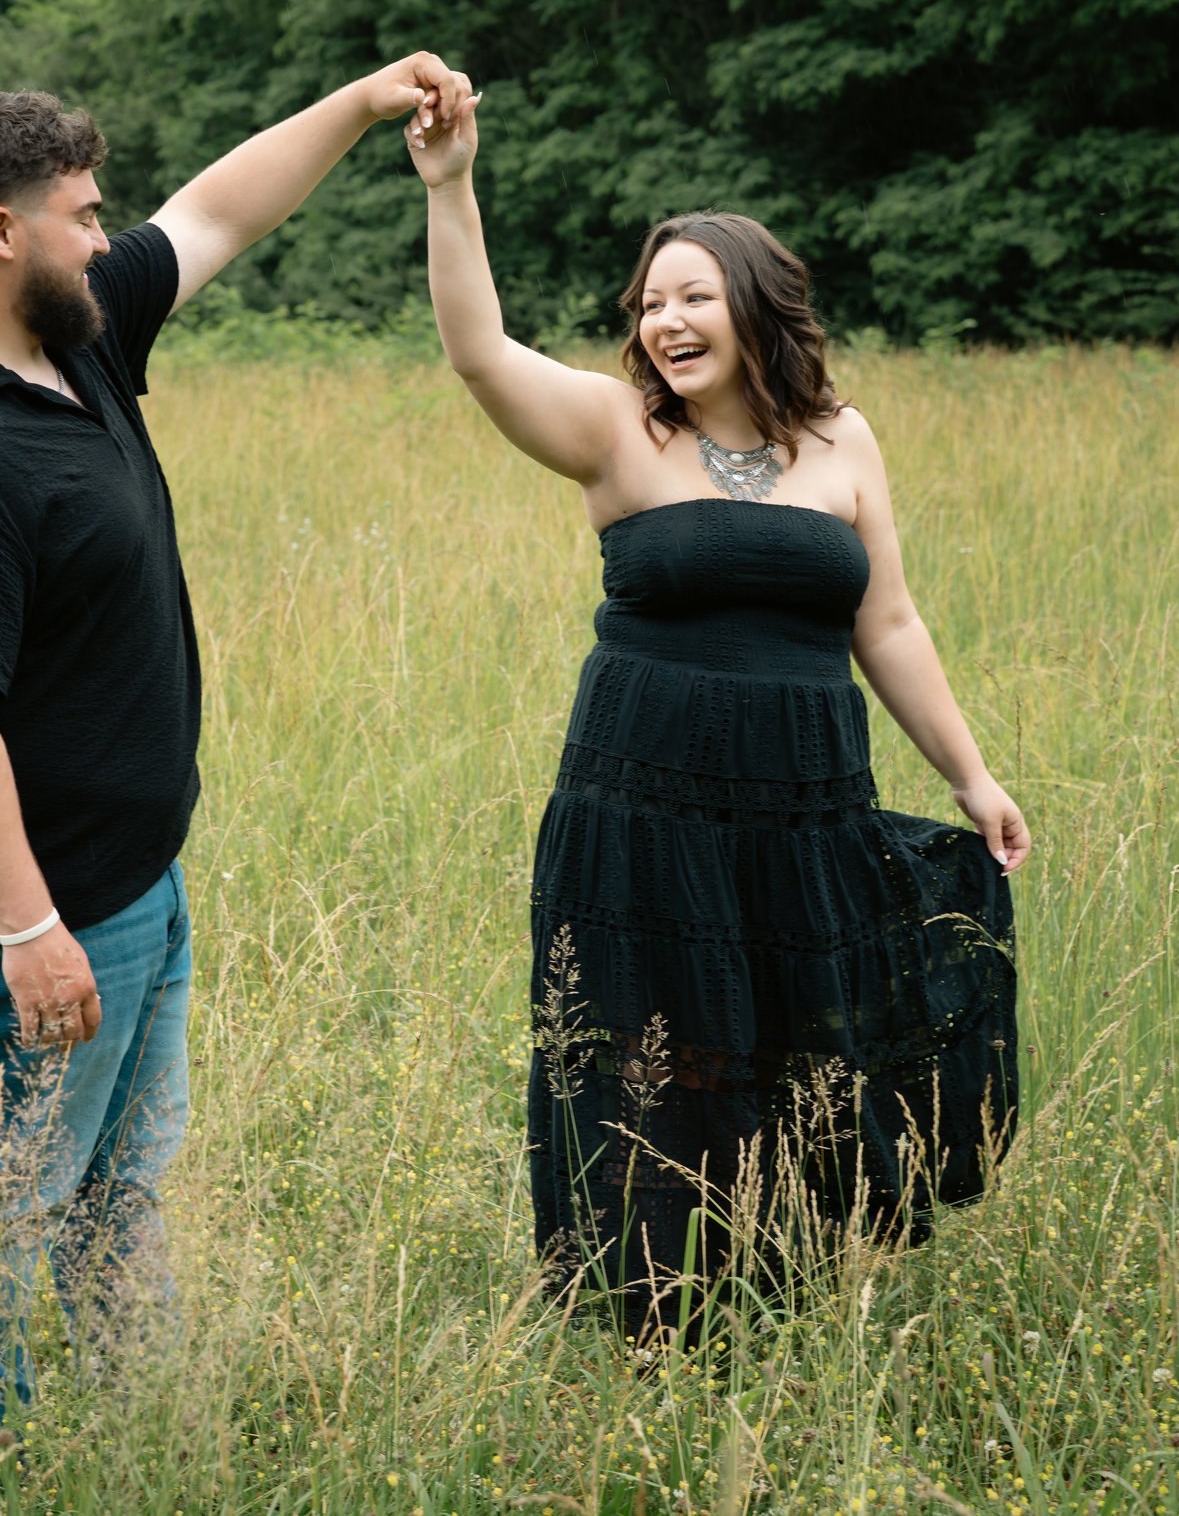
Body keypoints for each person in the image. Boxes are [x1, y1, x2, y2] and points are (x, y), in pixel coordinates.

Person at [0, 57, 458, 1457]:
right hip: (26, 920)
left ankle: (140, 1441)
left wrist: (359, 107)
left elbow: (221, 212)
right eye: (84, 212)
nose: (109, 235)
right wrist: (31, 928)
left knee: (115, 1193)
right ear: (3, 230)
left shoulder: (70, 329)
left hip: (133, 887)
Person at [403, 81, 1031, 1336]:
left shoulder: (843, 441)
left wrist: (971, 774)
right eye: (650, 299)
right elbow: (479, 349)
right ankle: (654, 1325)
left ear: (754, 303)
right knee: (660, 1055)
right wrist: (450, 185)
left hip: (804, 805)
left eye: (693, 293)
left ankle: (783, 1297)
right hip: (645, 802)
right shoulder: (615, 429)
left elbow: (887, 621)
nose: (667, 318)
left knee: (803, 1047)